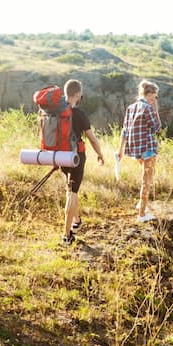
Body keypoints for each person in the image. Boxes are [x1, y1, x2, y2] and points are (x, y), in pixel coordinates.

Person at [61, 79, 105, 245]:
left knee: (71, 187)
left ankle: (77, 220)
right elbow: (92, 139)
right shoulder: (79, 114)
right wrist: (100, 154)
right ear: (78, 94)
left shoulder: (58, 111)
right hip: (76, 157)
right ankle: (67, 235)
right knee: (71, 193)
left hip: (61, 156)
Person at [118, 80, 161, 223]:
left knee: (147, 176)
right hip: (147, 148)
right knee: (146, 181)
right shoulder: (148, 107)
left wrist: (120, 149)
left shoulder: (131, 108)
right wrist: (155, 109)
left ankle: (141, 204)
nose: (155, 99)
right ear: (150, 94)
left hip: (136, 149)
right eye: (155, 96)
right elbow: (157, 127)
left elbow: (124, 130)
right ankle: (142, 214)